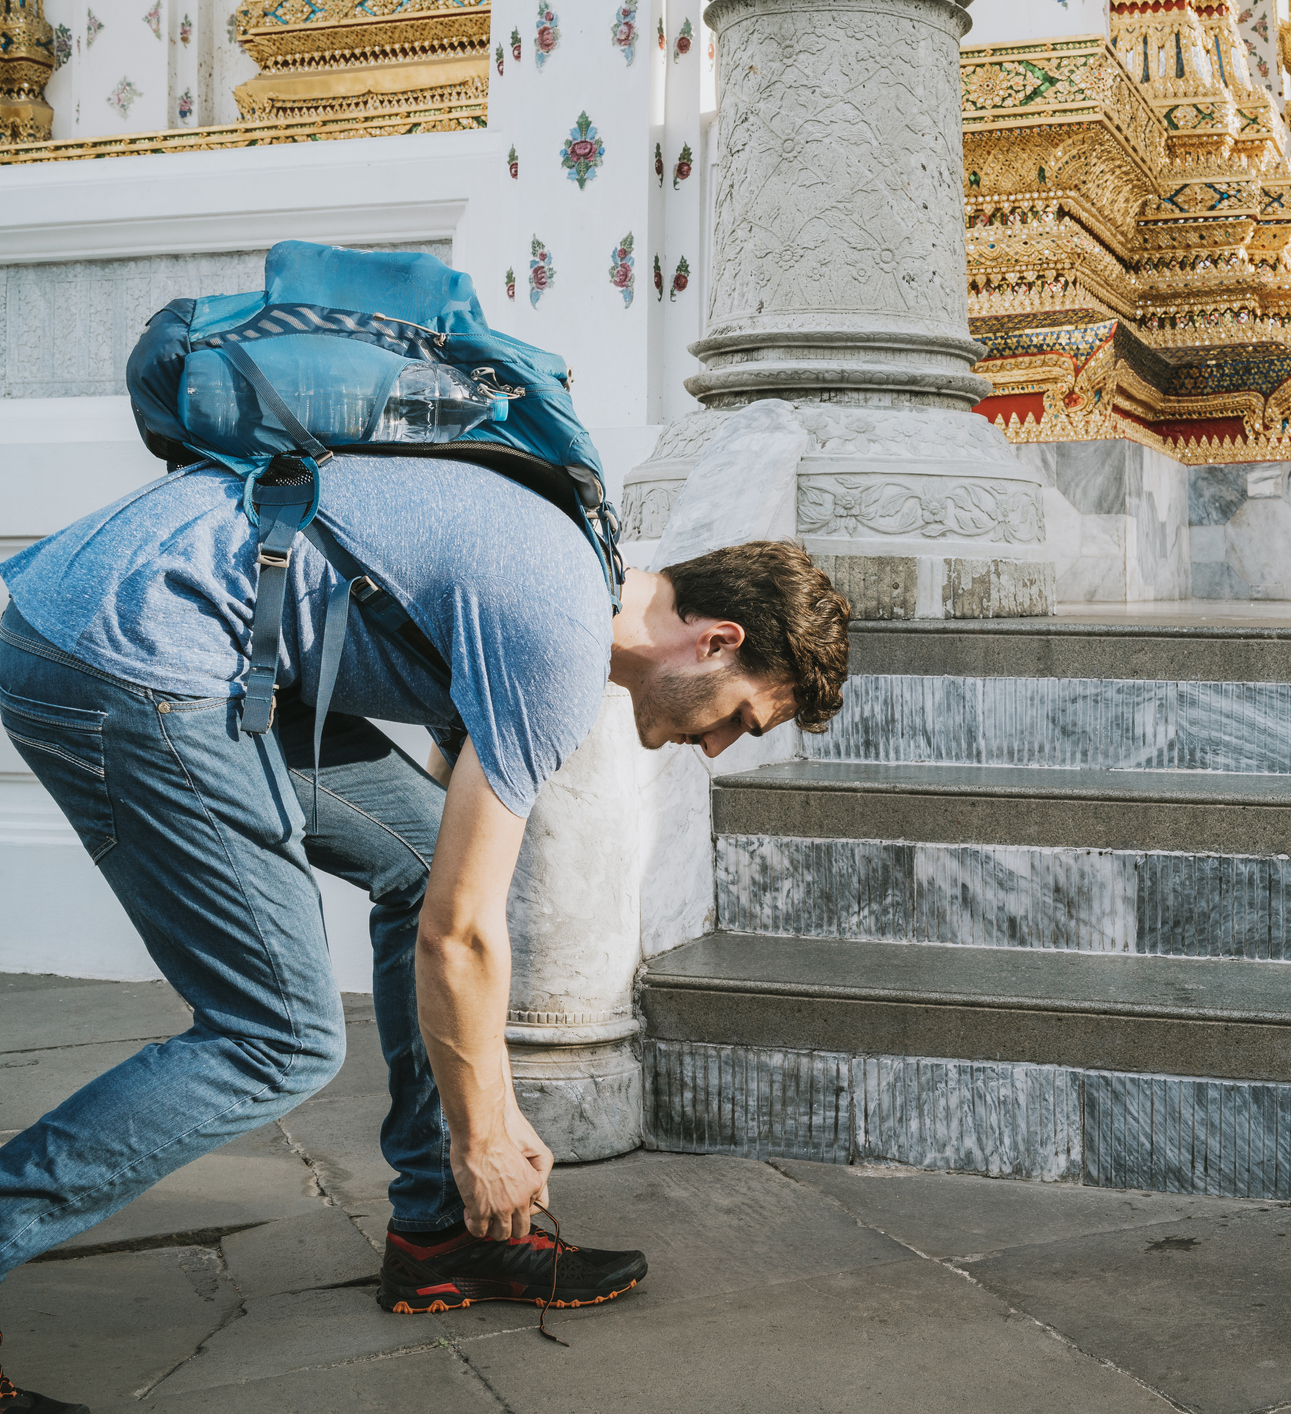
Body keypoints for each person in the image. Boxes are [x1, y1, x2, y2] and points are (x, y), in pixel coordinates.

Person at [0, 452, 849, 1411]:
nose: (718, 746)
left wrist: (480, 1110)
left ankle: (438, 1237)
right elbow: (462, 933)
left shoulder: (577, 569)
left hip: (146, 619)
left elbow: (442, 878)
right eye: (742, 717)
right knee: (276, 1037)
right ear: (715, 640)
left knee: (407, 864)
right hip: (127, 649)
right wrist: (485, 1134)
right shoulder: (559, 637)